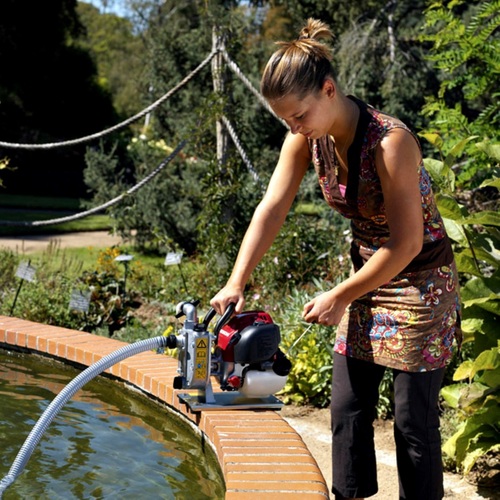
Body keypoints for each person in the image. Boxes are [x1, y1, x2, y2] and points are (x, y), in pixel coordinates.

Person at [210, 18, 461, 500]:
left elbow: (407, 244)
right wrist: (236, 280)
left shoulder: (391, 142)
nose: (294, 127)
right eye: (286, 120)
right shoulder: (306, 138)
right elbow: (272, 208)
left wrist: (341, 294)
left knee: (412, 422)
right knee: (347, 409)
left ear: (328, 90)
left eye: (299, 116)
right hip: (367, 277)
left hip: (421, 285)